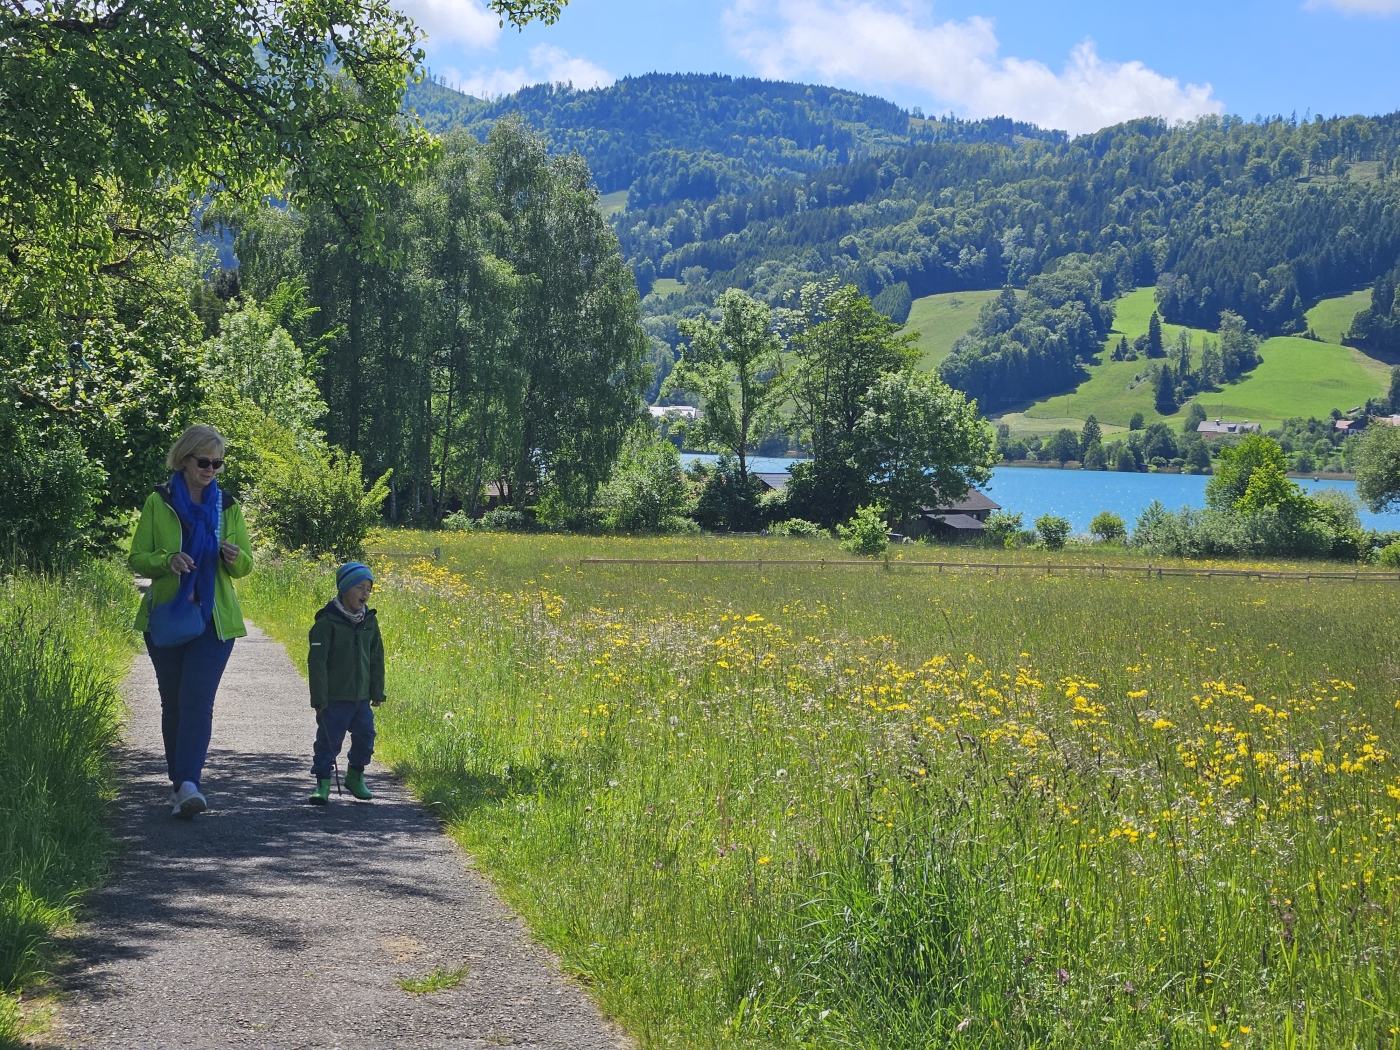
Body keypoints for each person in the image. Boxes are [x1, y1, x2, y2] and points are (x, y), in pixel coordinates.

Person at [129, 425, 253, 818]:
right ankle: (179, 781)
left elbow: (246, 565)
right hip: (168, 617)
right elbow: (137, 558)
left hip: (215, 622)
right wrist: (167, 560)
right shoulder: (159, 501)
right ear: (184, 460)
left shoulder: (228, 505)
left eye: (217, 464)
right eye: (204, 462)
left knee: (197, 700)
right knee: (174, 702)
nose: (211, 470)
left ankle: (188, 783)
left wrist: (235, 558)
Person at [307, 562, 386, 805]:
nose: (365, 593)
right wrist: (320, 699)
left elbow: (376, 657)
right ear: (344, 590)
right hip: (335, 699)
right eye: (359, 587)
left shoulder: (369, 622)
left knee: (366, 737)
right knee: (328, 742)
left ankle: (355, 776)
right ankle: (322, 783)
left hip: (361, 698)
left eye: (369, 589)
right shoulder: (327, 623)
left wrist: (376, 690)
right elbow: (317, 664)